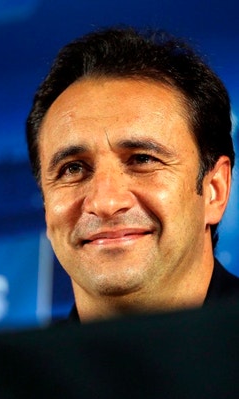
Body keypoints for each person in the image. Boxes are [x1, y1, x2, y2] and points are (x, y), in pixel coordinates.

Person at [26, 26, 239, 323]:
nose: (105, 203)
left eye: (142, 160)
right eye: (73, 168)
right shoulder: (6, 356)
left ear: (215, 190)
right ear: (47, 207)